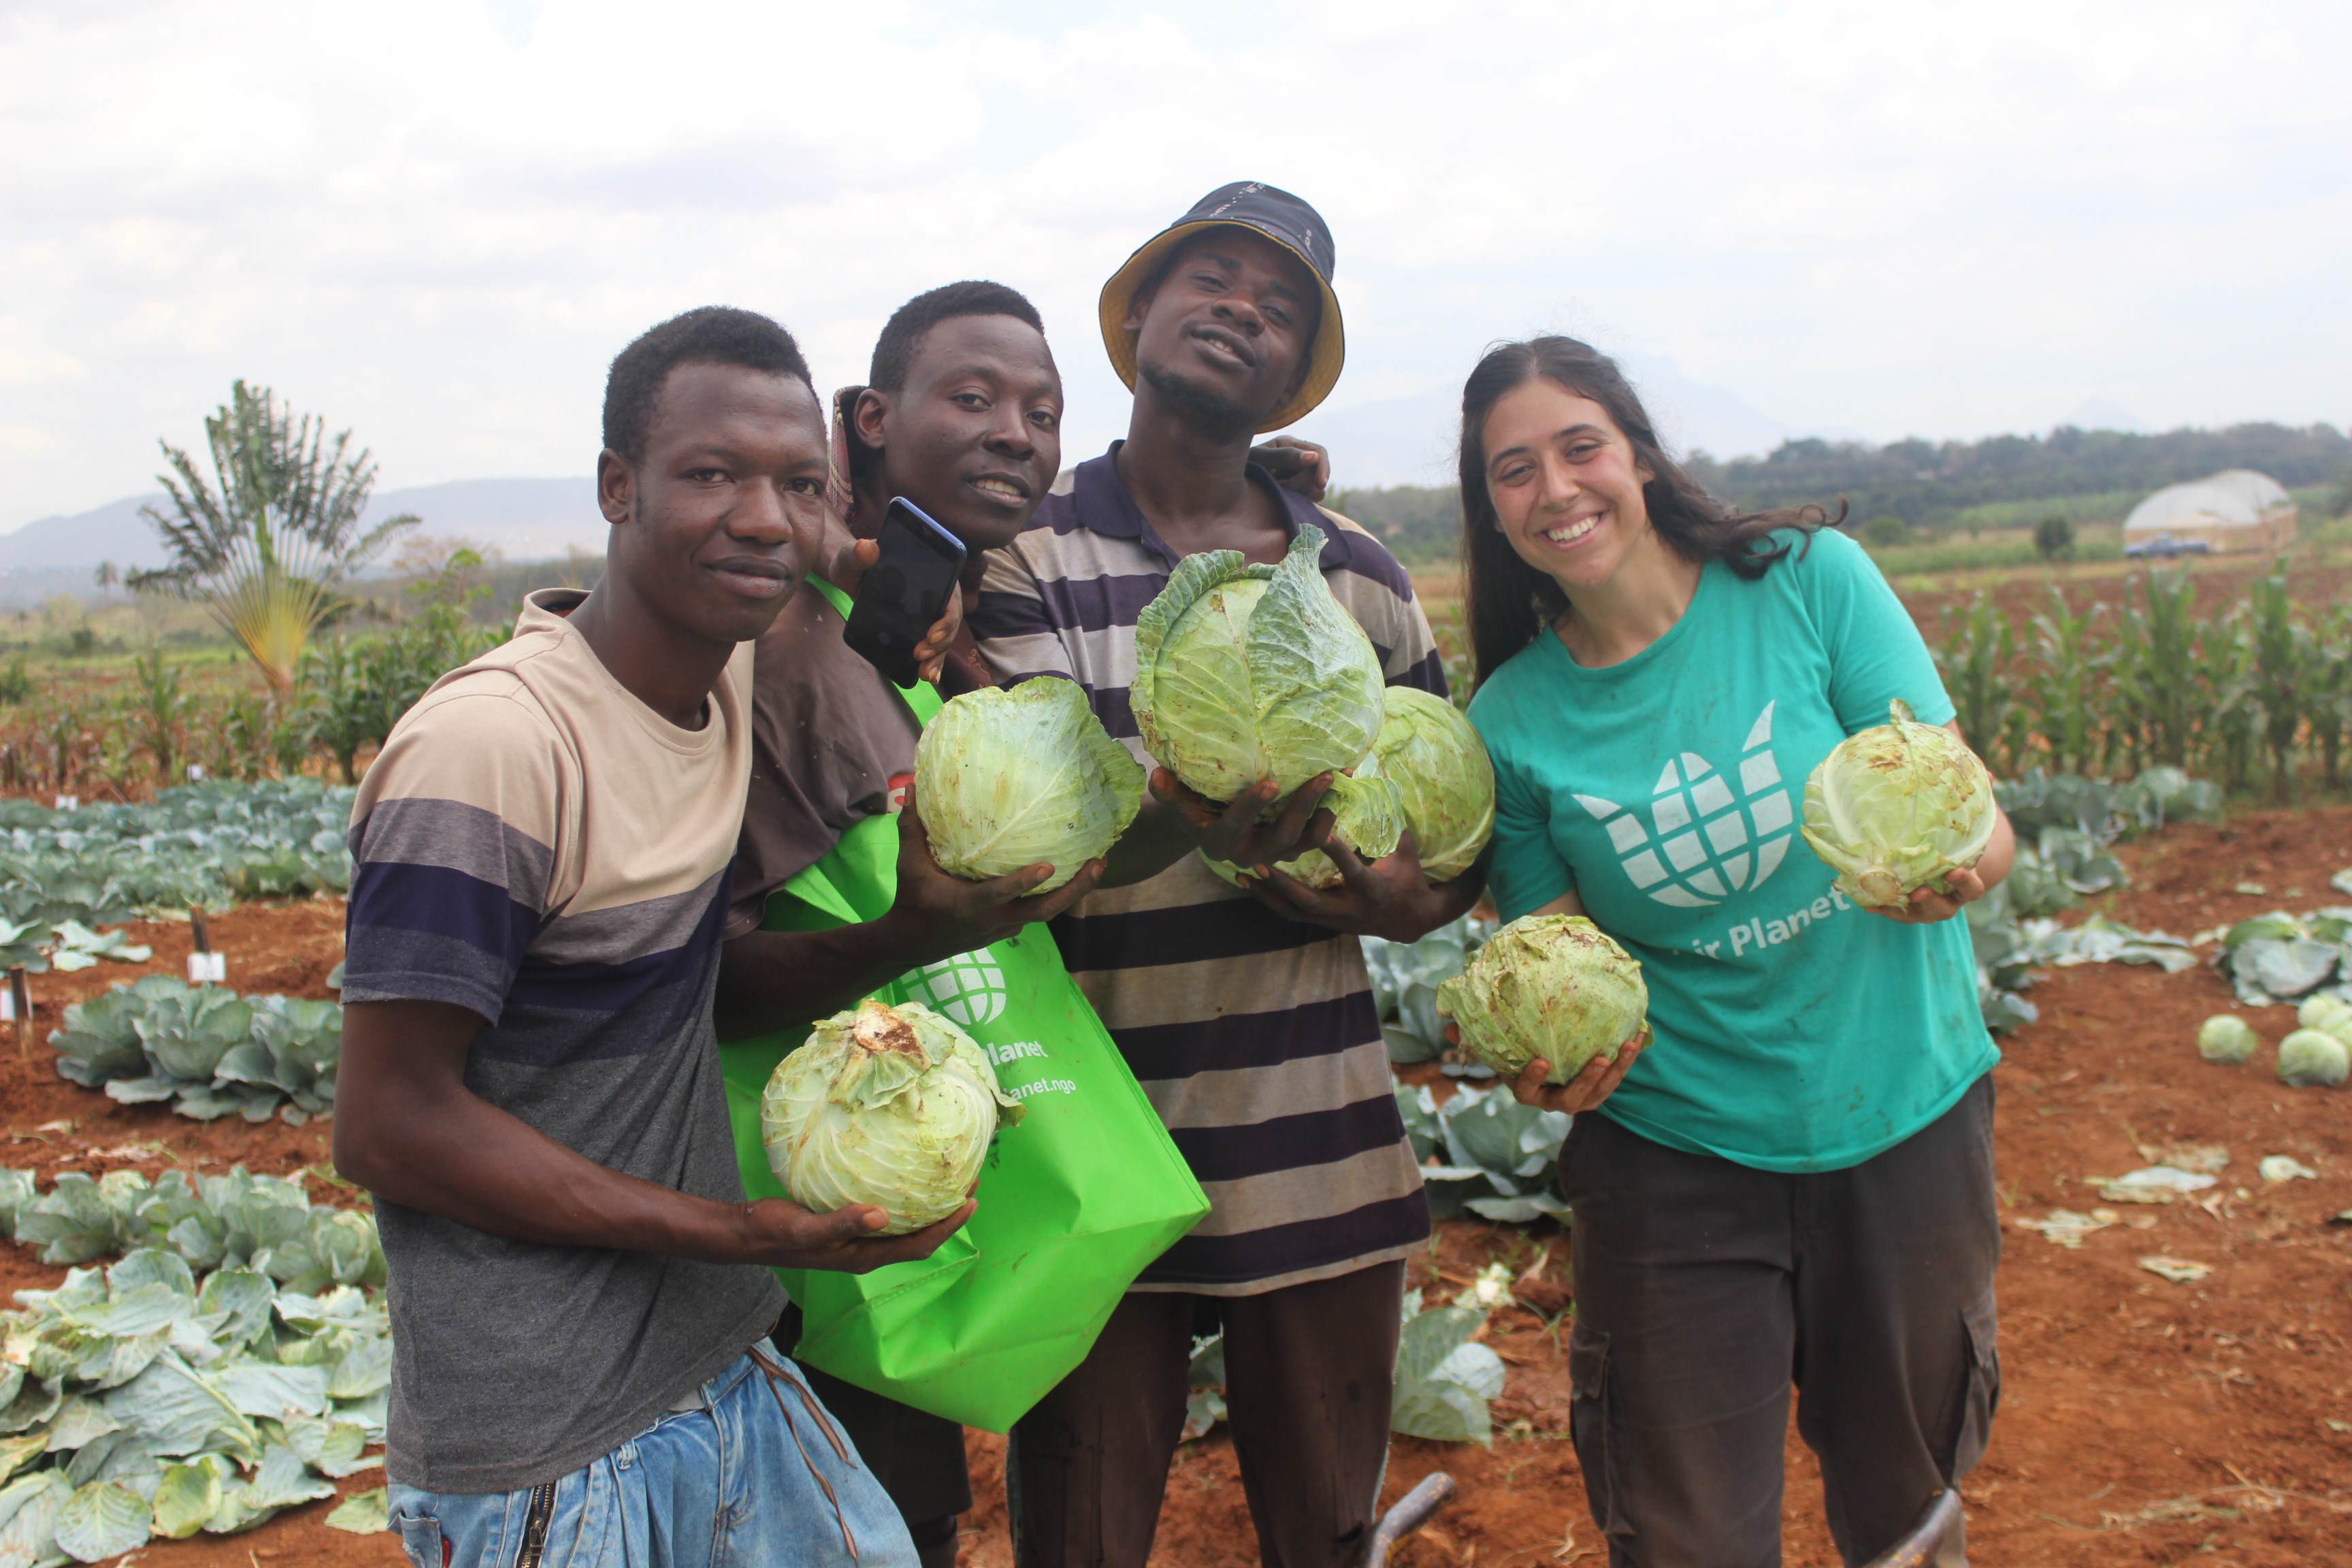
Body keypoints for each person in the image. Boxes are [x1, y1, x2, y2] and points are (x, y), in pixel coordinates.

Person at [712, 278, 1335, 1568]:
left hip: (888, 1200)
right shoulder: (776, 642)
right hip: (781, 1225)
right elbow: (696, 981)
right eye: (976, 398)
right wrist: (911, 937)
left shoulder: (933, 635)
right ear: (868, 422)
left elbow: (1083, 856)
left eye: (1043, 412)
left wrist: (1197, 800)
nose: (1017, 432)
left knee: (912, 1520)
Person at [335, 306, 969, 1568]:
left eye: (794, 483)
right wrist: (738, 1227)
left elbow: (691, 991)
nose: (759, 517)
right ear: (618, 487)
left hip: (715, 1361)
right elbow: (388, 1122)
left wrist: (909, 930)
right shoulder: (495, 751)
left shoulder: (712, 667)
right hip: (544, 1440)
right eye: (710, 474)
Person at [969, 182, 1477, 1568]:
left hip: (1314, 1138)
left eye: (1280, 306)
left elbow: (1449, 844)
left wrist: (1393, 902)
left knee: (1325, 1531)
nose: (1240, 310)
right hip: (1091, 1146)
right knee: (1078, 1537)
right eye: (1212, 277)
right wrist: (1193, 815)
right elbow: (1031, 839)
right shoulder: (1025, 557)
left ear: (1294, 368)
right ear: (1139, 315)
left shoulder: (1360, 580)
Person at [1452, 336, 2014, 1567]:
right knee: (1686, 1530)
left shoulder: (1811, 581)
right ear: (1489, 509)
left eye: (1580, 447)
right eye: (1512, 471)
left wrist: (1962, 868)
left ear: (1640, 456)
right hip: (1673, 1156)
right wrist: (1540, 1056)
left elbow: (1965, 804)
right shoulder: (1511, 718)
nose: (1556, 489)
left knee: (1906, 1506)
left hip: (1902, 1114)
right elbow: (1549, 951)